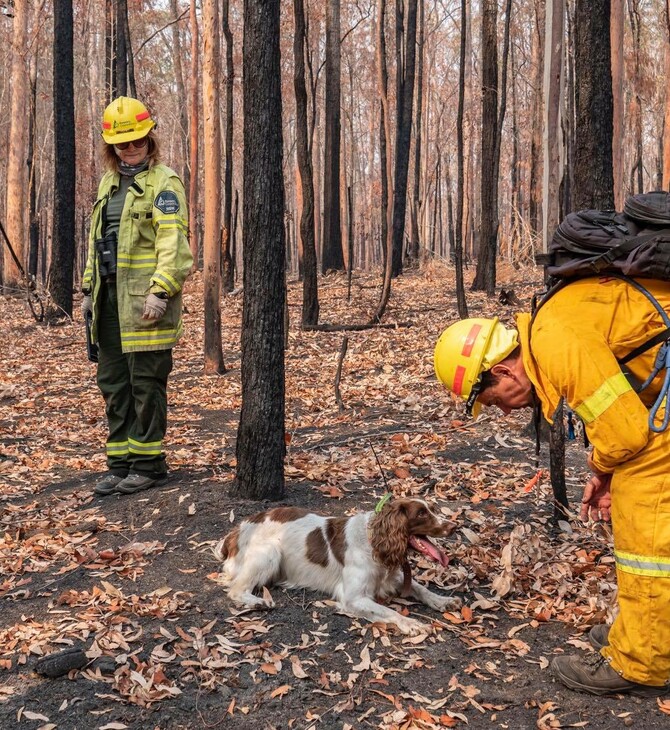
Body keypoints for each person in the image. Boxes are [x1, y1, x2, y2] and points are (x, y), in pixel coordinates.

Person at [433, 276, 670, 697]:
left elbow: (627, 435)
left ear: (503, 370)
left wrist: (604, 470)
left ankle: (642, 660)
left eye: (495, 401)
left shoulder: (553, 337)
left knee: (643, 514)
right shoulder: (552, 328)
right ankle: (650, 631)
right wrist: (604, 472)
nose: (505, 410)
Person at [81, 96, 193, 496]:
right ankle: (120, 464)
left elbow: (173, 243)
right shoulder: (108, 184)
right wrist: (88, 289)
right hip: (108, 303)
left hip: (146, 303)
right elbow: (98, 243)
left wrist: (161, 290)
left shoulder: (164, 182)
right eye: (123, 144)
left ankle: (149, 465)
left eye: (138, 142)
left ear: (150, 139)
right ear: (111, 147)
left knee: (145, 383)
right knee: (113, 383)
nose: (131, 149)